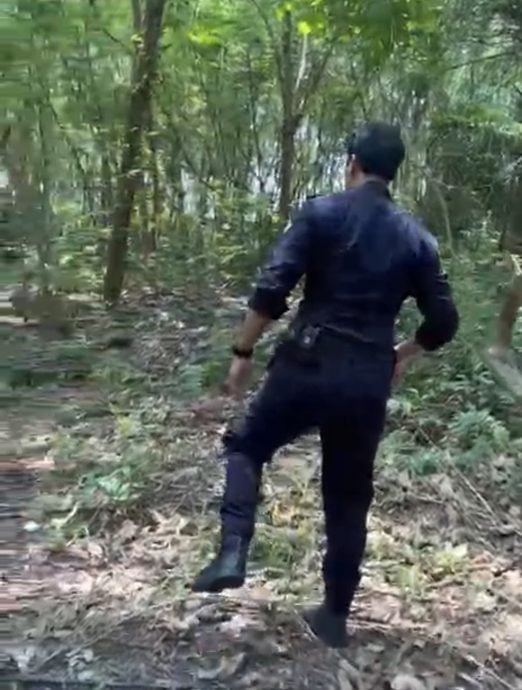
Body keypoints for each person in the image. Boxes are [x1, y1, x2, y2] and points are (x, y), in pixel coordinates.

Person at [191, 122, 459, 648]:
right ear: (393, 172)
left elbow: (273, 287)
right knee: (348, 496)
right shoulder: (417, 238)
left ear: (352, 163)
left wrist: (242, 353)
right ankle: (335, 617)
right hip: (366, 379)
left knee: (246, 446)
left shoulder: (321, 213)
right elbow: (444, 321)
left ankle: (232, 553)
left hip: (307, 363)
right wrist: (401, 354)